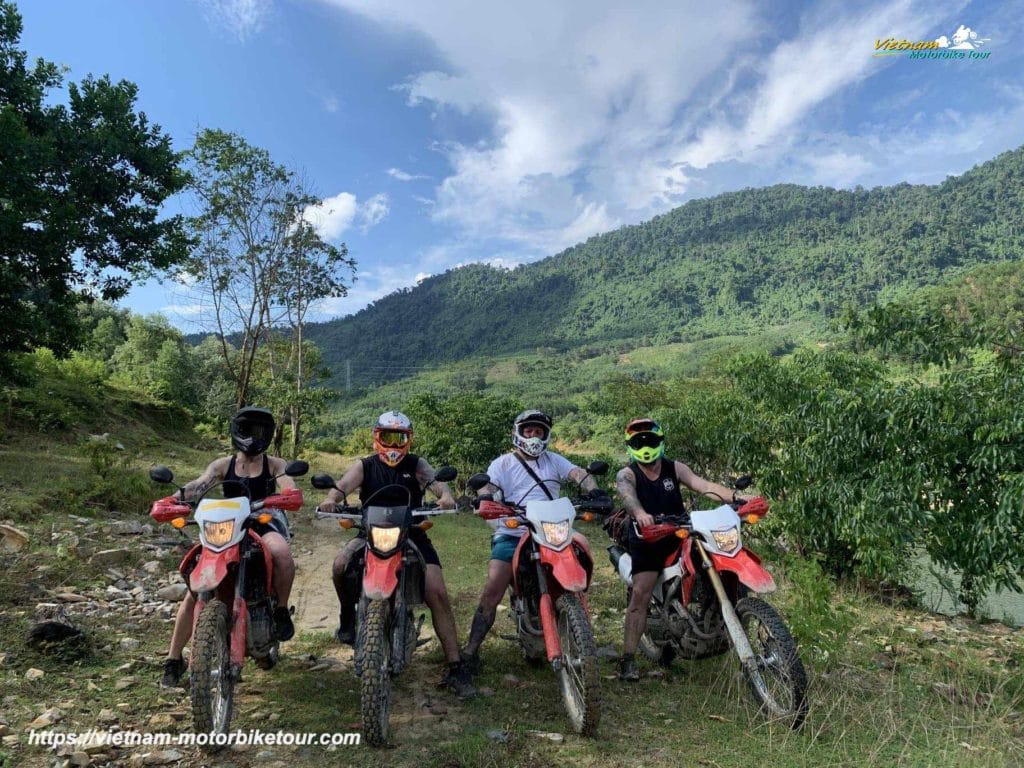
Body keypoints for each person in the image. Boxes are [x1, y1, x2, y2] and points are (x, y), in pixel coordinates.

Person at [316, 411, 475, 699]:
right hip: (370, 533)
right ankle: (347, 618)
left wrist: (445, 496)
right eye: (387, 436)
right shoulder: (365, 466)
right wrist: (331, 500)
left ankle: (456, 664)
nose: (393, 443)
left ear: (408, 440)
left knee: (437, 591)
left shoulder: (416, 464)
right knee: (340, 565)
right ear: (377, 437)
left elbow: (436, 483)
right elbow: (342, 488)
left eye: (399, 437)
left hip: (412, 532)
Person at [161, 407, 298, 688]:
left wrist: (288, 495)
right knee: (195, 591)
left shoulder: (274, 464)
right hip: (224, 528)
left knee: (282, 553)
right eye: (247, 430)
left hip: (262, 522)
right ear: (237, 431)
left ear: (268, 434)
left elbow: (288, 485)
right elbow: (199, 485)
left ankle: (281, 610)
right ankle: (173, 660)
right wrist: (172, 499)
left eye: (259, 431)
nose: (252, 437)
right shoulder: (223, 465)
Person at [460, 409, 604, 671]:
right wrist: (485, 497)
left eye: (539, 431)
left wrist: (594, 489)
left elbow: (577, 473)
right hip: (515, 530)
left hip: (552, 530)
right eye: (529, 431)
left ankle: (580, 625)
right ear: (519, 433)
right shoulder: (503, 463)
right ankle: (470, 652)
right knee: (494, 584)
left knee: (582, 545)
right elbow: (488, 486)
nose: (534, 436)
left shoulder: (553, 460)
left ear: (546, 435)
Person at [614, 417, 752, 681]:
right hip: (648, 537)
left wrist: (735, 499)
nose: (645, 445)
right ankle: (628, 659)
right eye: (639, 441)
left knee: (713, 558)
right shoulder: (627, 473)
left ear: (660, 441)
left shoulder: (674, 467)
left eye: (650, 440)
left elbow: (705, 487)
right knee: (641, 594)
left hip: (680, 530)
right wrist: (641, 513)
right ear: (631, 445)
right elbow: (627, 496)